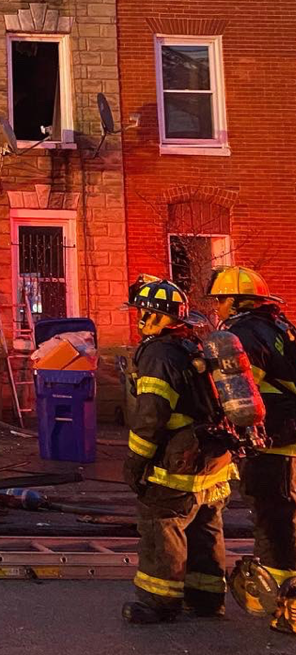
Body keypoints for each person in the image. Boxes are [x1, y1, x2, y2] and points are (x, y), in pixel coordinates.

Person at [122, 276, 237, 624]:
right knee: (204, 527)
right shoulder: (194, 346)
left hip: (179, 461)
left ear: (153, 316)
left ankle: (159, 602)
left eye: (142, 312)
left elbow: (150, 417)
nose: (139, 319)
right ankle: (206, 598)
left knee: (162, 524)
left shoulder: (158, 354)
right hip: (214, 456)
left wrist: (135, 463)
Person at [208, 266, 296, 633]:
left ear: (234, 301)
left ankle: (287, 609)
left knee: (274, 524)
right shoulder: (283, 328)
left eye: (221, 300)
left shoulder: (238, 335)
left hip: (274, 446)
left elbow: (236, 398)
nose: (219, 308)